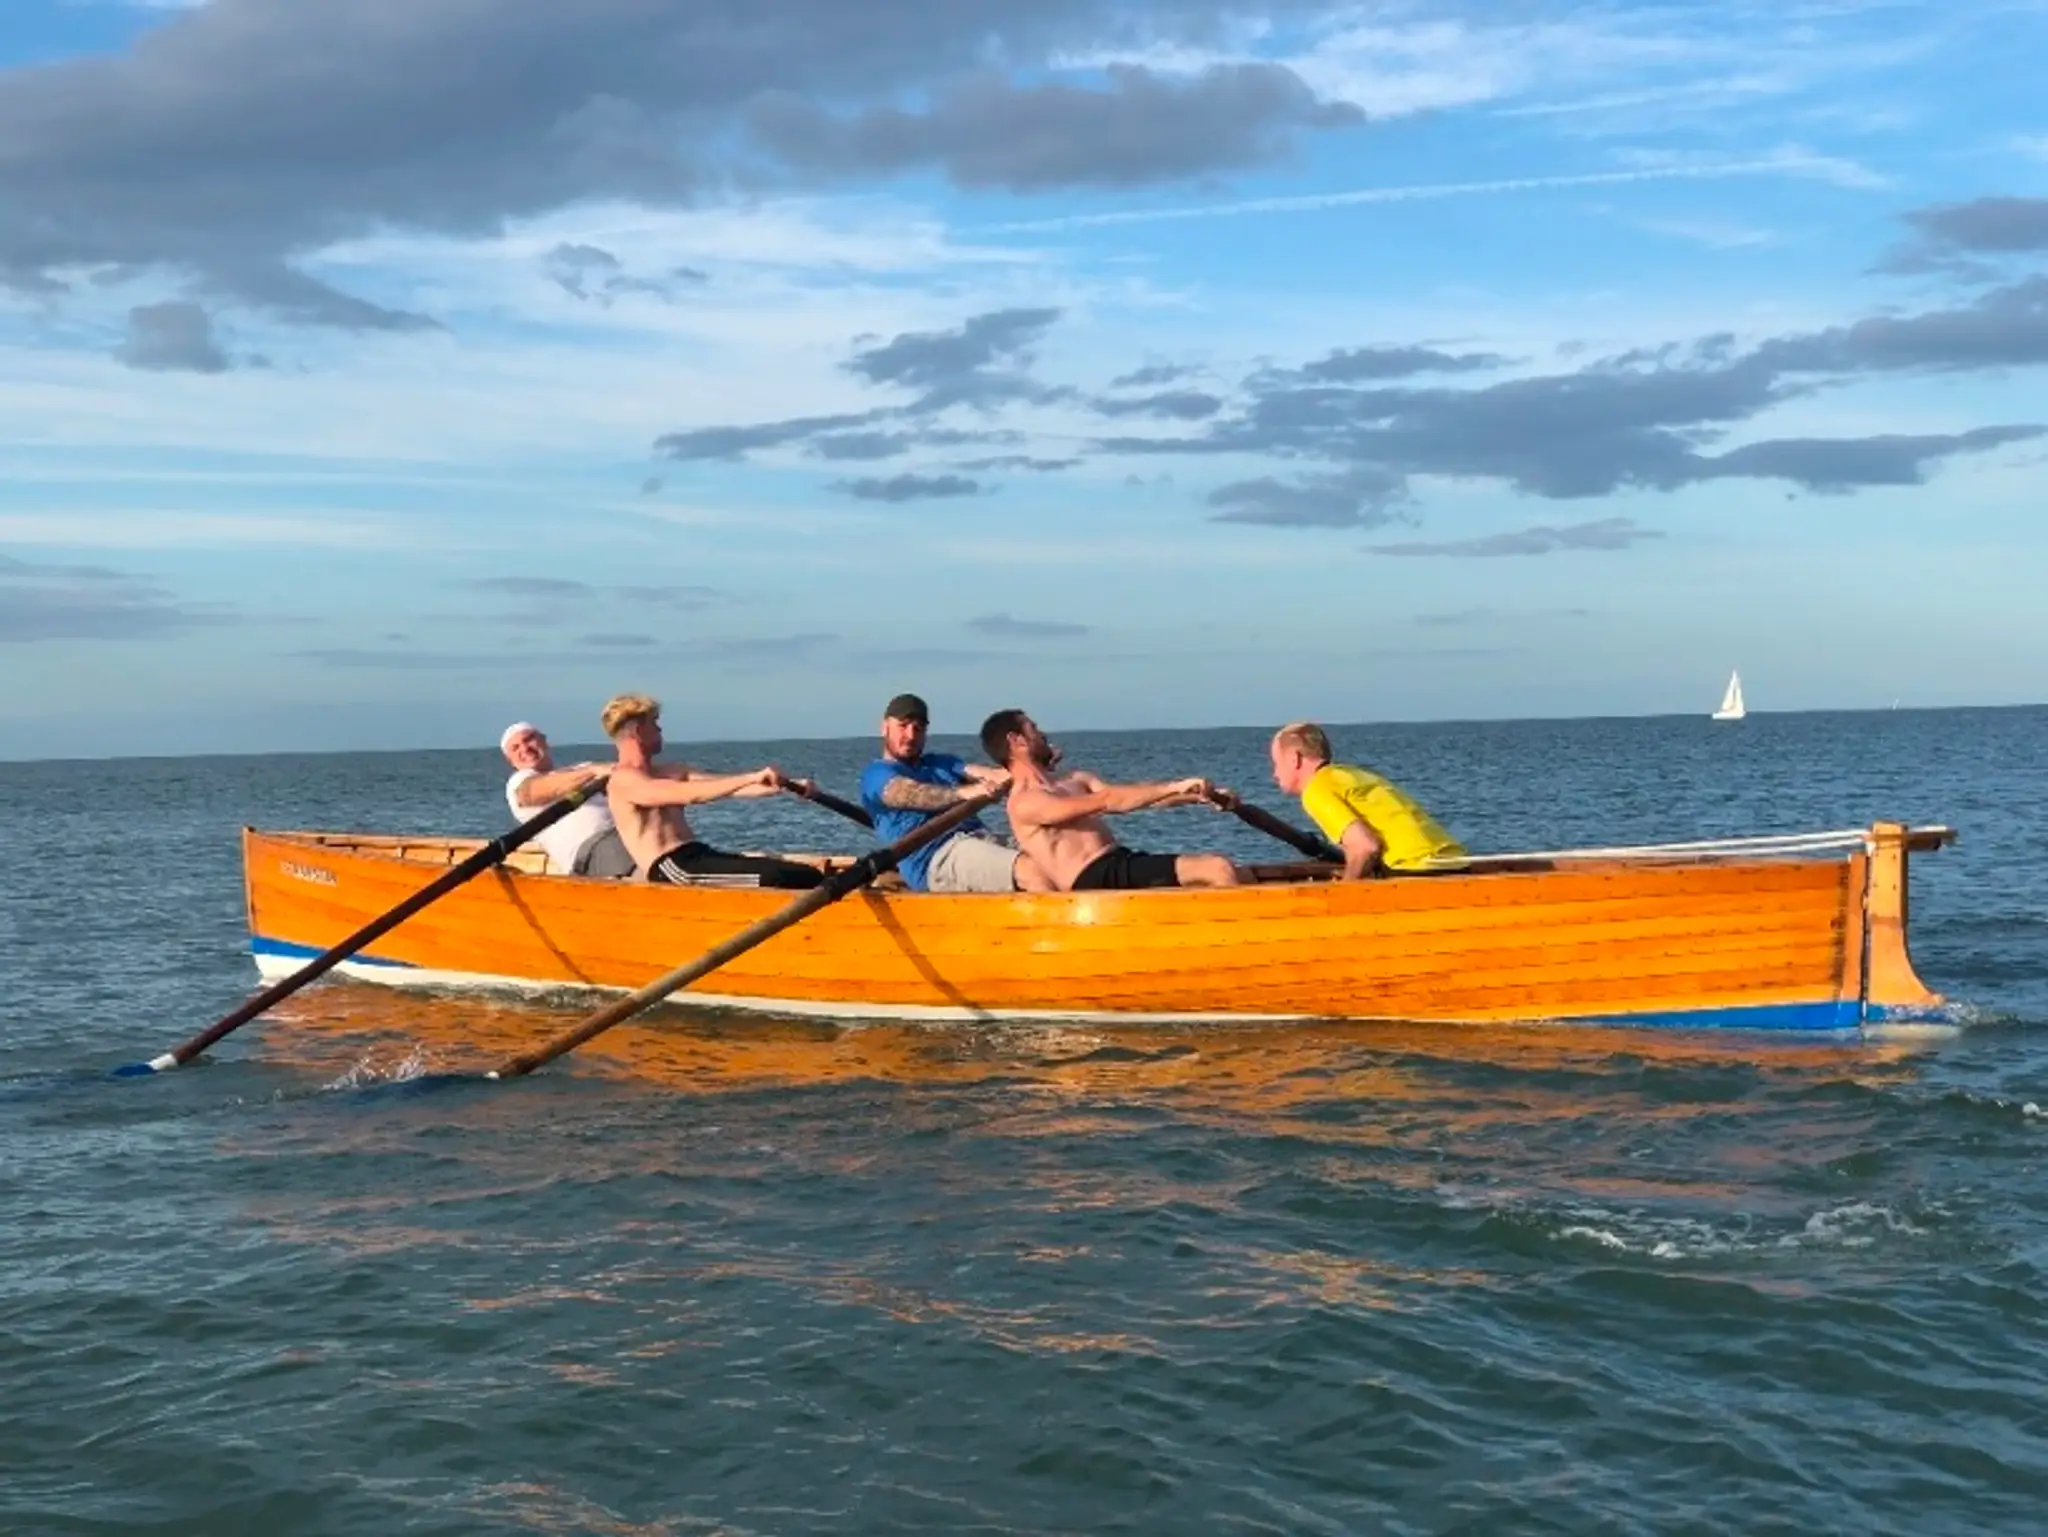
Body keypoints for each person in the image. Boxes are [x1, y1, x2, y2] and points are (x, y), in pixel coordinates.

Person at [980, 708, 1241, 892]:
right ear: (1016, 740)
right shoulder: (1025, 802)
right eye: (1033, 728)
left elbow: (1135, 797)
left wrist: (1194, 795)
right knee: (1217, 869)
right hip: (1092, 879)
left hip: (1120, 863)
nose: (1042, 734)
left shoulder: (1073, 780)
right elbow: (1108, 800)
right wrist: (1173, 787)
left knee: (1242, 874)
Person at [599, 693, 824, 889]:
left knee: (808, 874)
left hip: (698, 854)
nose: (660, 729)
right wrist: (752, 776)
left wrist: (790, 785)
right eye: (655, 723)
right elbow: (689, 794)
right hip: (671, 868)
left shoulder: (672, 771)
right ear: (639, 731)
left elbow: (730, 786)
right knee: (777, 877)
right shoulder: (623, 780)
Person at [858, 693, 1049, 894]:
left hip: (979, 839)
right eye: (903, 726)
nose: (911, 735)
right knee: (1034, 873)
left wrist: (1036, 763)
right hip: (937, 858)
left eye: (918, 729)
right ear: (884, 727)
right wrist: (966, 793)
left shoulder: (941, 763)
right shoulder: (876, 774)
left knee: (1055, 857)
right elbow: (909, 793)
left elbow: (994, 776)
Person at [1267, 721, 1465, 879]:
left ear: (1294, 759)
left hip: (1415, 870)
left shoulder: (1316, 789)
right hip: (1455, 862)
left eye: (1276, 763)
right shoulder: (1355, 775)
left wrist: (1345, 890)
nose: (1274, 773)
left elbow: (1365, 847)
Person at [498, 721, 636, 877]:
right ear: (510, 761)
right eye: (515, 748)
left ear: (544, 741)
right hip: (592, 851)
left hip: (626, 835)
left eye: (529, 739)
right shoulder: (518, 782)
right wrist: (591, 771)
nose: (525, 748)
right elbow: (532, 792)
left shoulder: (579, 769)